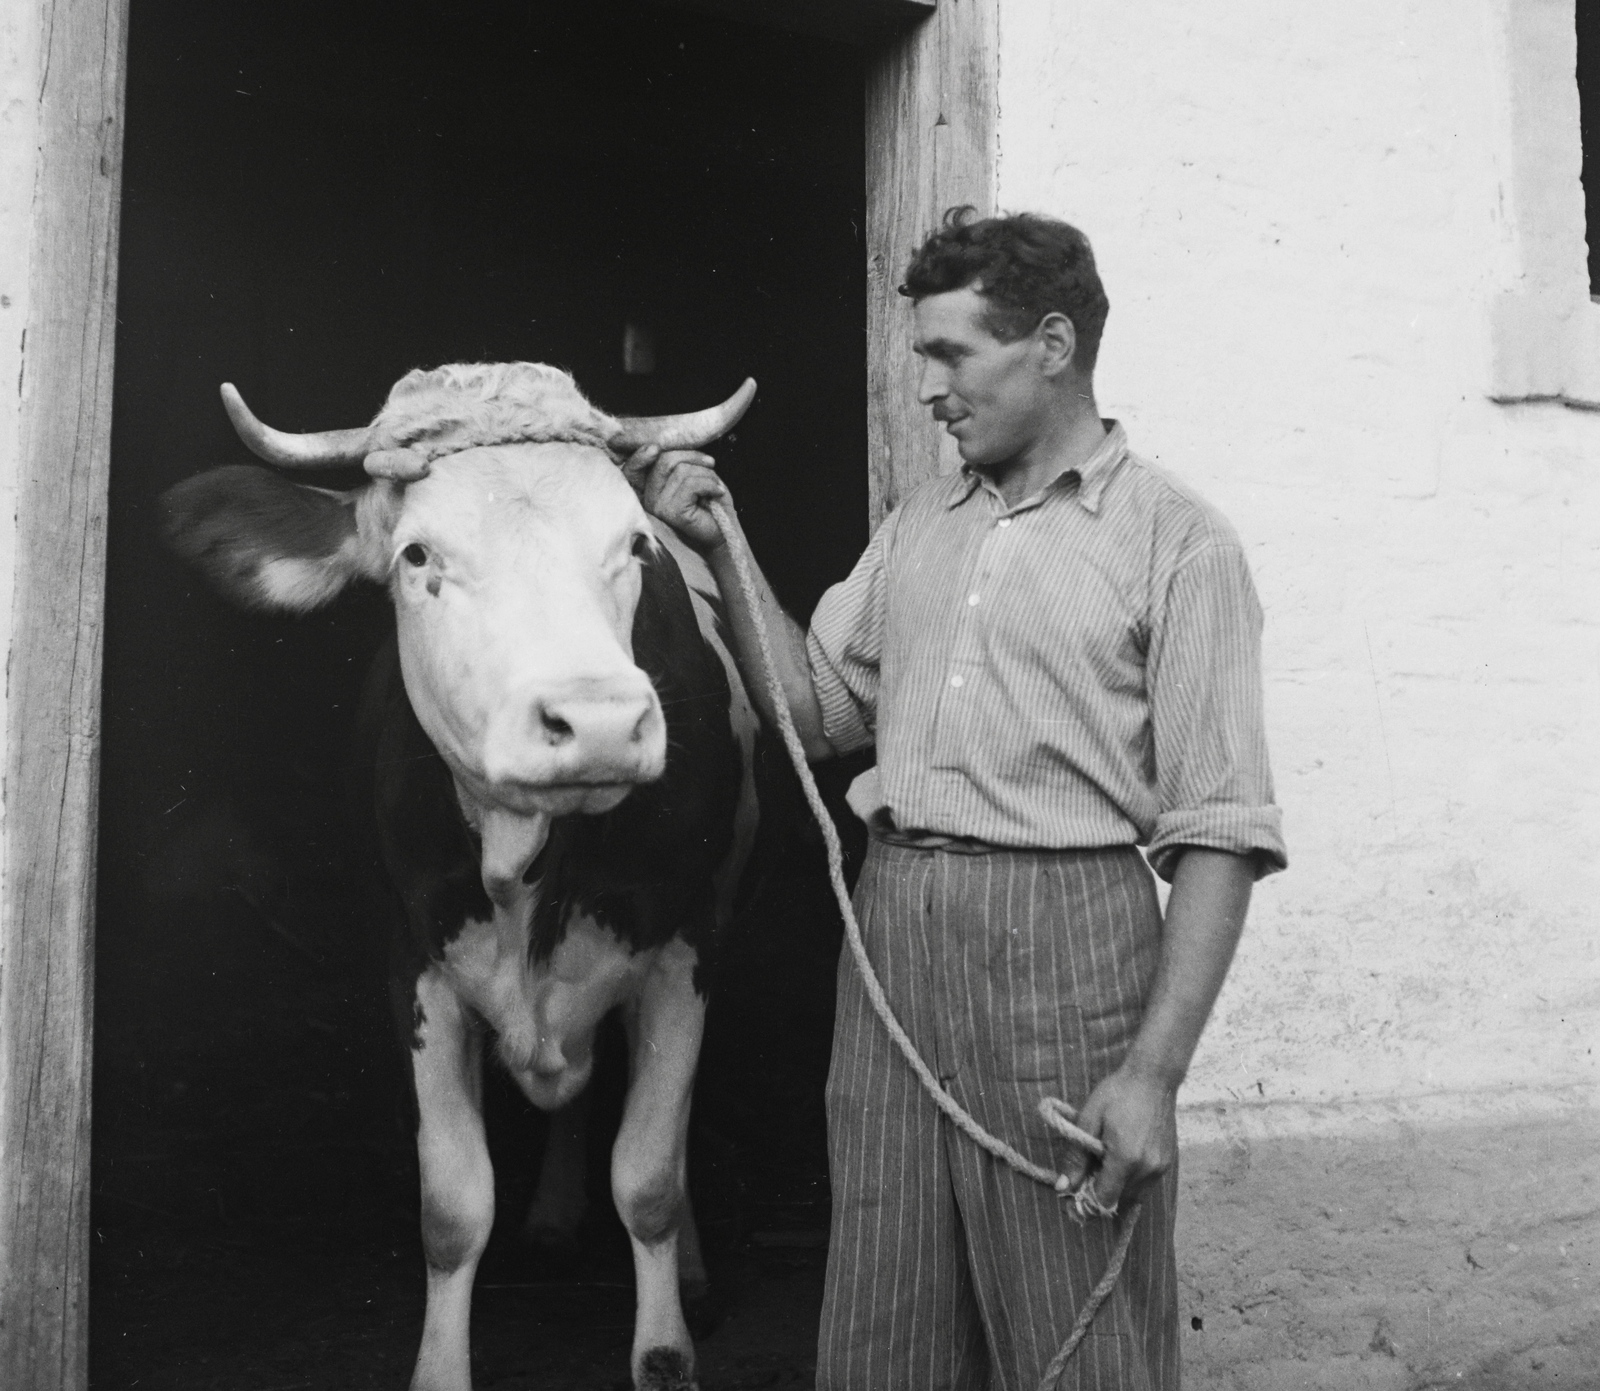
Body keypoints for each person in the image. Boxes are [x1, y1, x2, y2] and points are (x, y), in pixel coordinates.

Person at [626, 207, 1287, 1391]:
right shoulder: (917, 526)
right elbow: (820, 710)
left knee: (1075, 1322)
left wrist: (1153, 1075)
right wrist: (723, 548)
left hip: (1068, 943)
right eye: (918, 355)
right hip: (889, 938)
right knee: (884, 1312)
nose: (924, 386)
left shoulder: (1178, 544)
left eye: (948, 355)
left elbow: (1219, 835)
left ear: (1049, 343)